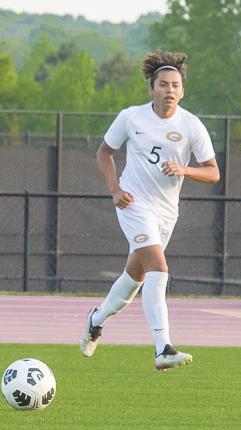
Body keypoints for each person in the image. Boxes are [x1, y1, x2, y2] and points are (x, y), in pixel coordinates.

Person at [80, 51, 220, 369]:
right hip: (133, 204)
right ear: (151, 89)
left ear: (182, 91)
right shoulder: (132, 117)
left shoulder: (191, 125)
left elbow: (213, 172)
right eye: (163, 84)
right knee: (159, 269)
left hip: (166, 213)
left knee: (136, 276)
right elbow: (104, 153)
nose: (170, 90)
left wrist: (185, 170)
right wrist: (115, 190)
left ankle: (97, 319)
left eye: (175, 85)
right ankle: (163, 348)